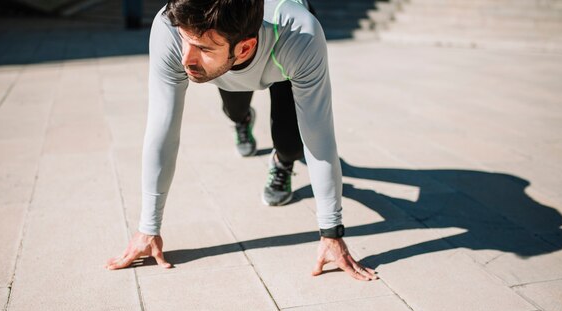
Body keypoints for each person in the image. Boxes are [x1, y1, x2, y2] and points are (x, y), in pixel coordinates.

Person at [105, 0, 377, 281]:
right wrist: (148, 228)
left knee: (291, 144)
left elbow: (319, 135)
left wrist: (331, 233)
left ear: (245, 47)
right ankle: (242, 120)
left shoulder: (301, 34)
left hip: (279, 58)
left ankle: (281, 162)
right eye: (185, 41)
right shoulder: (170, 27)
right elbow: (162, 127)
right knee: (235, 109)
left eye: (203, 49)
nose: (186, 58)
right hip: (230, 64)